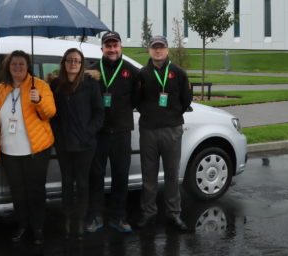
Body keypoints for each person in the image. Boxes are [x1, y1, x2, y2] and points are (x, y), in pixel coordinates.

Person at [0, 50, 56, 246]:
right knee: (18, 192)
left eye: (22, 64)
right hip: (9, 152)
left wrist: (38, 100)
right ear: (8, 67)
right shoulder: (0, 89)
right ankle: (22, 224)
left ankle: (37, 227)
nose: (18, 68)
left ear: (27, 66)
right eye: (14, 64)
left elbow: (50, 112)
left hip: (35, 150)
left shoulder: (39, 85)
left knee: (36, 190)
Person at [135, 35, 192, 231]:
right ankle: (148, 213)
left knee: (171, 174)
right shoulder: (142, 74)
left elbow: (186, 100)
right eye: (154, 47)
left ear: (167, 50)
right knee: (148, 175)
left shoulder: (178, 73)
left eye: (161, 47)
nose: (157, 51)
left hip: (172, 130)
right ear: (149, 50)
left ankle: (173, 214)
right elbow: (136, 100)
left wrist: (172, 116)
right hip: (149, 130)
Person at [86, 31, 139, 234]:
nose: (112, 49)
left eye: (115, 45)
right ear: (102, 49)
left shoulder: (131, 71)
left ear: (120, 47)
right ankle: (96, 216)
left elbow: (136, 98)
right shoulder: (91, 72)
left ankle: (118, 217)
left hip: (122, 132)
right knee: (96, 177)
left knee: (120, 176)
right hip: (98, 133)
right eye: (108, 46)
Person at [49, 48, 104, 240]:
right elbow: (52, 115)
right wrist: (58, 134)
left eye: (77, 61)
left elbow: (99, 113)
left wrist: (88, 132)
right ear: (64, 63)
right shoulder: (56, 85)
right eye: (70, 60)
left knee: (82, 183)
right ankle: (67, 217)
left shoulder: (90, 84)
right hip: (64, 143)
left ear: (82, 65)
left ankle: (80, 218)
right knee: (66, 182)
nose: (73, 64)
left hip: (85, 144)